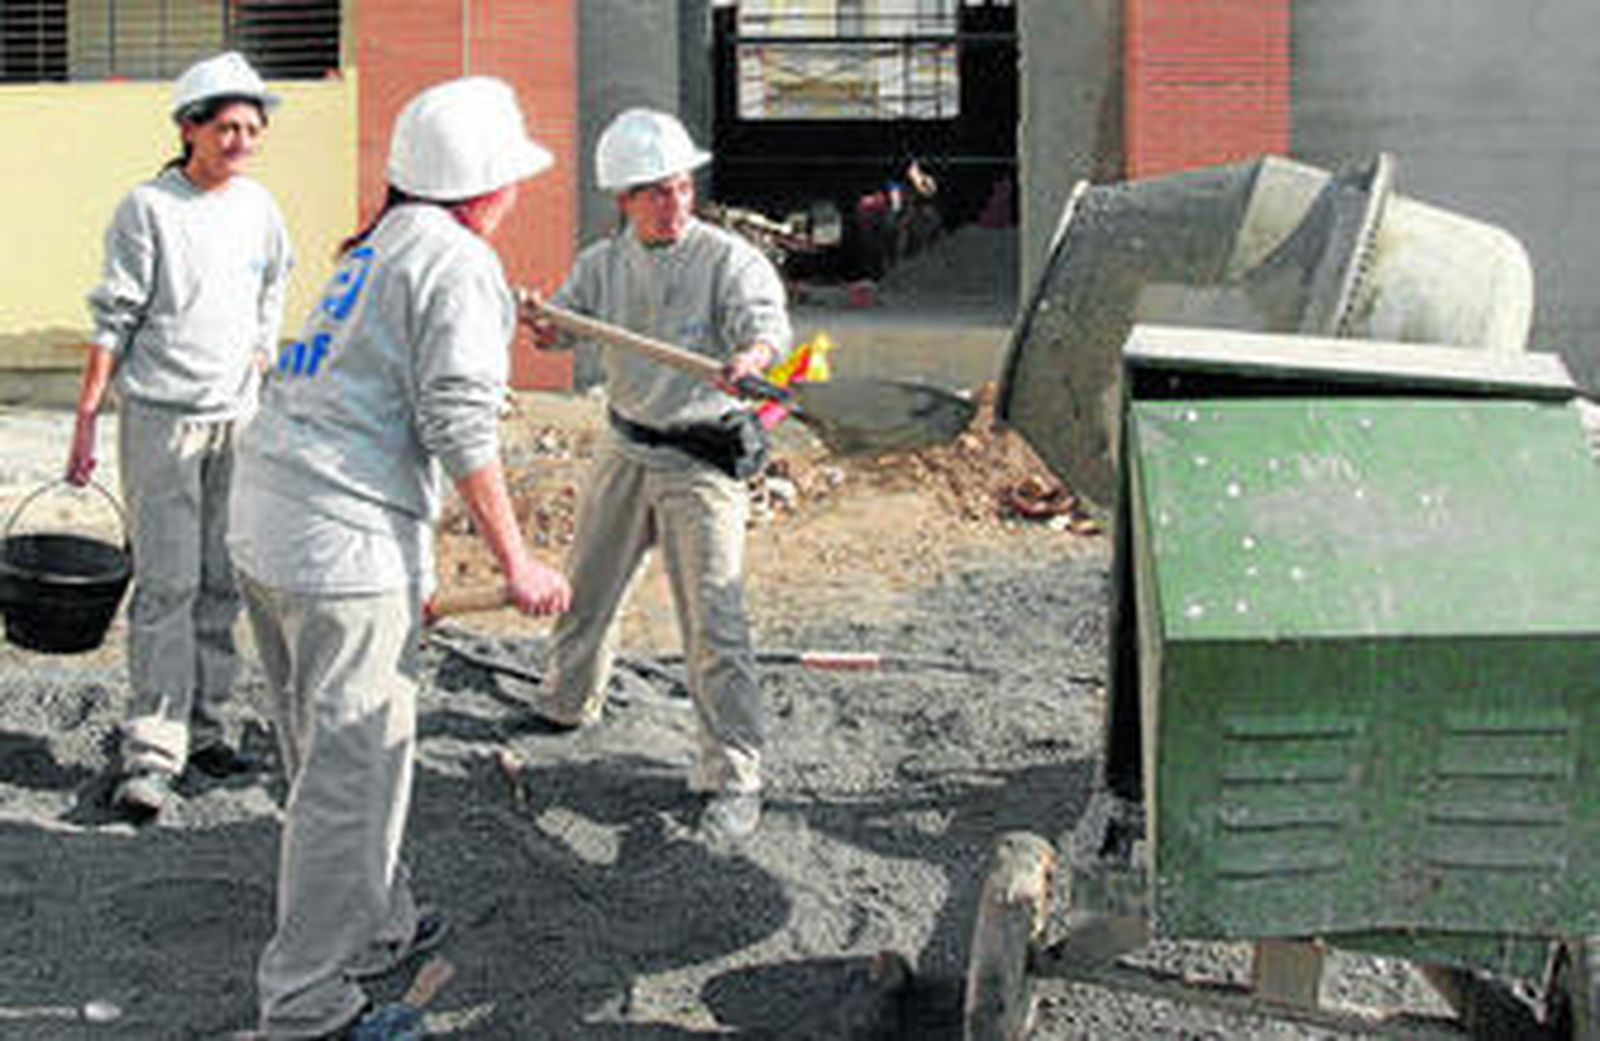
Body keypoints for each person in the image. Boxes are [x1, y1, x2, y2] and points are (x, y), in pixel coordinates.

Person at [228, 77, 570, 1038]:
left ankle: (377, 927)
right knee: (355, 776)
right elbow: (458, 424)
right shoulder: (455, 262)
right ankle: (306, 1004)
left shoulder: (381, 244)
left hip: (274, 522)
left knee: (321, 750)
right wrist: (518, 562)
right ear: (489, 184)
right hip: (340, 542)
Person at [523, 107, 791, 839]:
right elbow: (564, 327)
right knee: (587, 589)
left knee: (714, 618)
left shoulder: (726, 260)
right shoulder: (603, 263)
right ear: (625, 200)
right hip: (625, 444)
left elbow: (766, 326)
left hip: (700, 458)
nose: (674, 203)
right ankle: (566, 700)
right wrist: (545, 323)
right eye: (656, 192)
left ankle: (732, 771)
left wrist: (753, 357)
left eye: (681, 187)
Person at [67, 51, 293, 817]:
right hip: (162, 418)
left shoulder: (260, 208)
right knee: (167, 583)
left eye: (250, 128)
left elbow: (274, 283)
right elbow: (114, 315)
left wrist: (263, 350)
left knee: (221, 580)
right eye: (225, 127)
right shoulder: (148, 209)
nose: (239, 140)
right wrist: (87, 419)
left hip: (238, 415)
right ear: (189, 128)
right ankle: (153, 749)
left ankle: (206, 727)